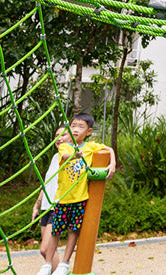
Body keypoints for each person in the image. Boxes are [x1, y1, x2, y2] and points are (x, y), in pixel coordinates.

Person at [44, 113, 116, 275]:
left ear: (88, 131)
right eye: (73, 126)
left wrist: (112, 164)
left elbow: (109, 149)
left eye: (80, 127)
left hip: (80, 197)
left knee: (73, 231)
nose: (75, 129)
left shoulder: (90, 147)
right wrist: (75, 156)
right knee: (56, 232)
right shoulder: (65, 145)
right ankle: (47, 264)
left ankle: (64, 263)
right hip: (62, 198)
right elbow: (65, 156)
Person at [31, 127, 72, 275]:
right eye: (56, 136)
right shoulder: (56, 157)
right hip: (46, 206)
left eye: (63, 135)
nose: (59, 138)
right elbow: (46, 183)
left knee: (45, 248)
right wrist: (37, 204)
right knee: (46, 251)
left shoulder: (72, 156)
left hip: (58, 205)